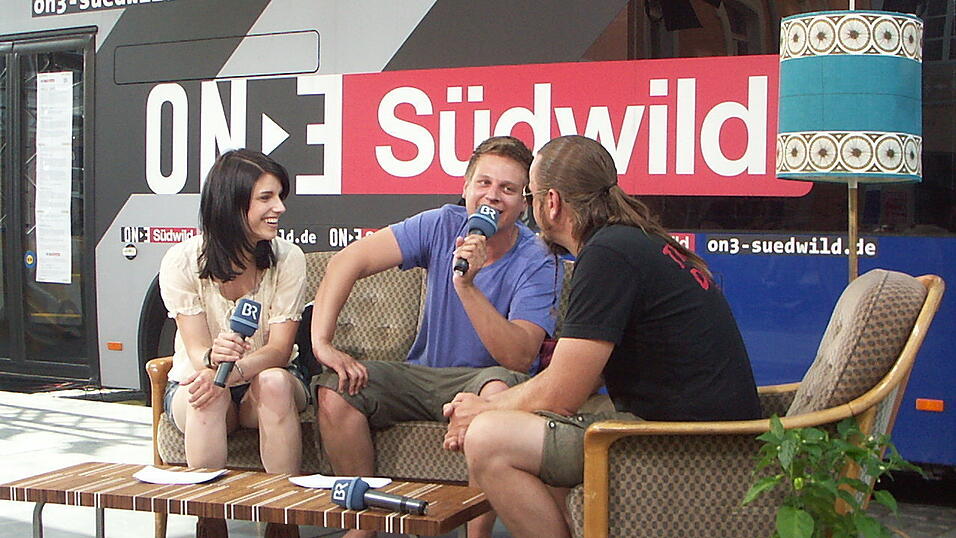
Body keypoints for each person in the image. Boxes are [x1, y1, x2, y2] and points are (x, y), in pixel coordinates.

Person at [442, 135, 761, 538]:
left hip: (692, 447)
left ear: (552, 202)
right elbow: (580, 377)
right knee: (535, 422)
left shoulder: (608, 255)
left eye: (530, 194)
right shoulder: (632, 241)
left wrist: (483, 412)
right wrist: (498, 403)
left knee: (490, 438)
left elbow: (561, 393)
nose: (530, 205)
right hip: (697, 433)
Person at [311, 136, 561, 538]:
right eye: (483, 183)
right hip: (422, 375)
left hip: (489, 380)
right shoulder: (440, 224)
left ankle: (476, 534)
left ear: (524, 202)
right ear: (465, 187)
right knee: (336, 391)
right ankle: (364, 526)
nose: (491, 197)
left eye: (507, 189)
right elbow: (348, 260)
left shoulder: (538, 258)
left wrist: (469, 285)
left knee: (495, 393)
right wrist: (322, 344)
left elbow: (518, 357)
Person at [160, 149, 308, 538]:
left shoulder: (288, 258)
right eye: (266, 198)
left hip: (264, 381)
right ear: (231, 203)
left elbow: (278, 350)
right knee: (206, 393)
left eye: (279, 197)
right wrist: (213, 362)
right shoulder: (182, 261)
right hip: (197, 384)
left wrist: (236, 370)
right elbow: (196, 352)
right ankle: (210, 521)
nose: (279, 208)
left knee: (274, 382)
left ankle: (281, 520)